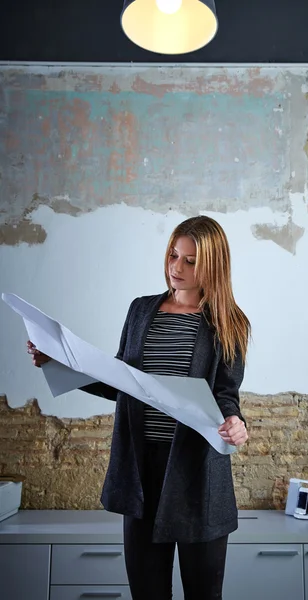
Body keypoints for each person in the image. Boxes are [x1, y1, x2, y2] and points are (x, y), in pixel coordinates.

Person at [27, 215, 251, 600]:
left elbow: (227, 394)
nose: (175, 267)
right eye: (172, 255)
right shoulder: (141, 310)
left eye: (190, 260)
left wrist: (235, 422)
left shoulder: (229, 324)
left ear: (212, 264)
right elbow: (120, 382)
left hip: (197, 475)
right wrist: (60, 363)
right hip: (140, 473)